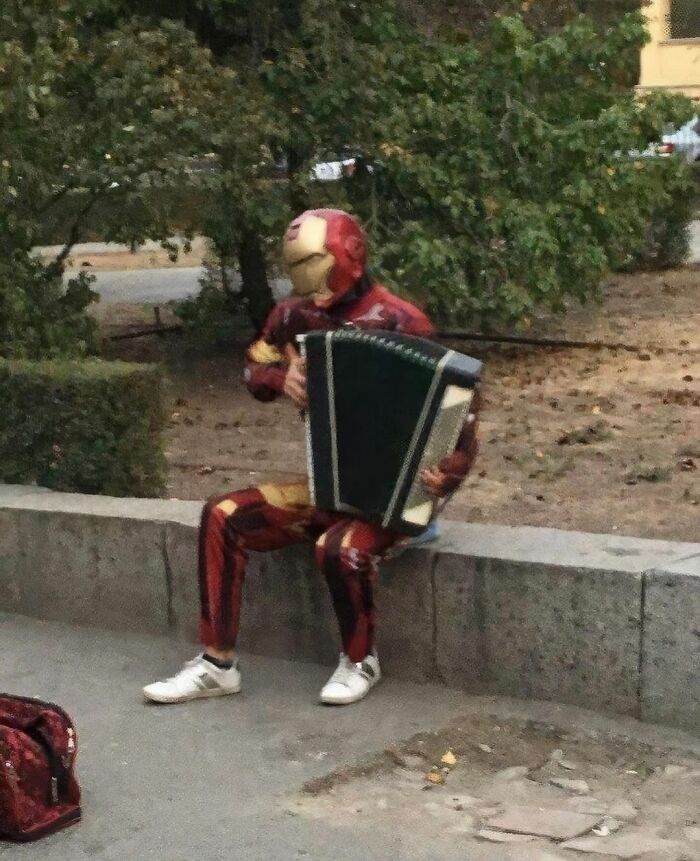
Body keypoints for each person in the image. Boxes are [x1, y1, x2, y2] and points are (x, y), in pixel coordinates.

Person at [143, 208, 480, 707]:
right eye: (298, 265)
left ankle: (360, 660)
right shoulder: (293, 317)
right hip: (331, 486)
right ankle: (217, 665)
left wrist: (450, 472)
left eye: (315, 262)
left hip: (396, 497)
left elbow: (460, 411)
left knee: (338, 546)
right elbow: (254, 367)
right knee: (223, 515)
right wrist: (283, 379)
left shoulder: (402, 321)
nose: (308, 279)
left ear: (347, 254)